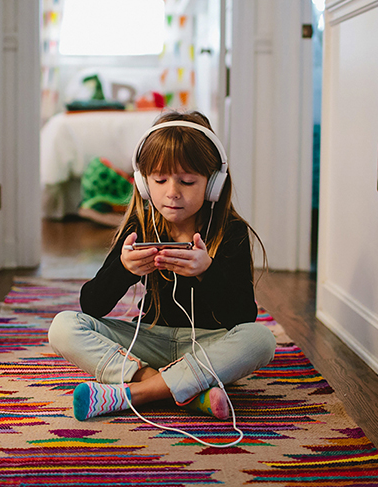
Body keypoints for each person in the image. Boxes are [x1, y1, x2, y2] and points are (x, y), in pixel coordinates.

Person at [48, 110, 276, 422]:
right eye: (159, 180)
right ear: (143, 183)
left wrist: (206, 272)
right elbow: (92, 304)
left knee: (260, 340)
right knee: (63, 327)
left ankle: (137, 393)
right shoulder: (139, 225)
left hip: (206, 346)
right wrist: (125, 269)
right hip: (150, 341)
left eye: (187, 181)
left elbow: (241, 317)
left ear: (213, 184)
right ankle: (184, 392)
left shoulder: (229, 229)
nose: (172, 192)